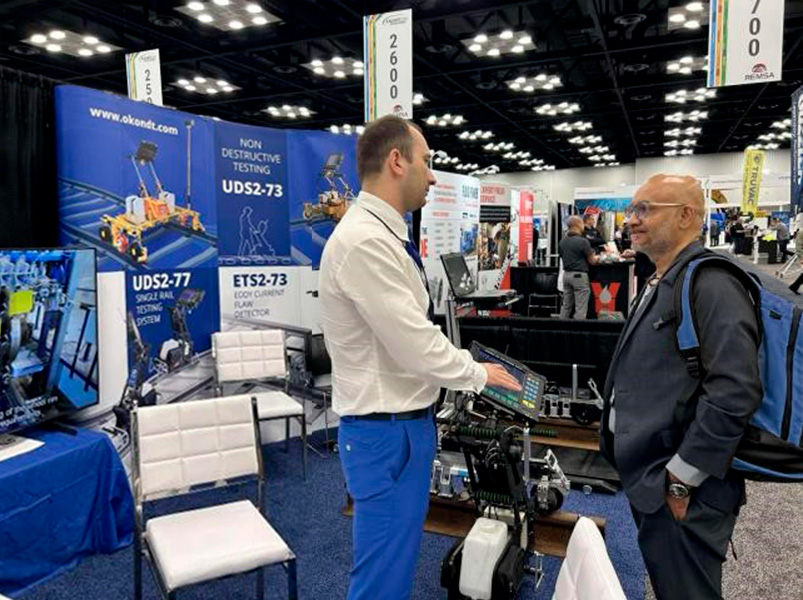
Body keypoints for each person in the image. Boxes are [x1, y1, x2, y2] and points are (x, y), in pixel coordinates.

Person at [318, 115, 521, 600]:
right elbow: (413, 342)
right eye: (427, 162)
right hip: (384, 431)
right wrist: (477, 375)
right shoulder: (365, 240)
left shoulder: (381, 234)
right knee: (380, 579)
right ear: (396, 161)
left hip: (402, 426)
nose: (432, 175)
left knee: (396, 564)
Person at [601, 174, 762, 600]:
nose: (631, 220)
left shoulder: (711, 283)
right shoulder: (664, 277)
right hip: (653, 479)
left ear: (687, 215)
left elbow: (735, 391)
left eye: (645, 209)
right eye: (631, 210)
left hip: (683, 489)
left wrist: (680, 479)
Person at [559, 216, 599, 319]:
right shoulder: (583, 241)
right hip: (579, 277)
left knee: (566, 306)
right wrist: (597, 258)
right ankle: (577, 332)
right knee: (580, 308)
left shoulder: (562, 242)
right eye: (581, 223)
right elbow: (592, 261)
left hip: (566, 276)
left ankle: (560, 329)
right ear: (577, 224)